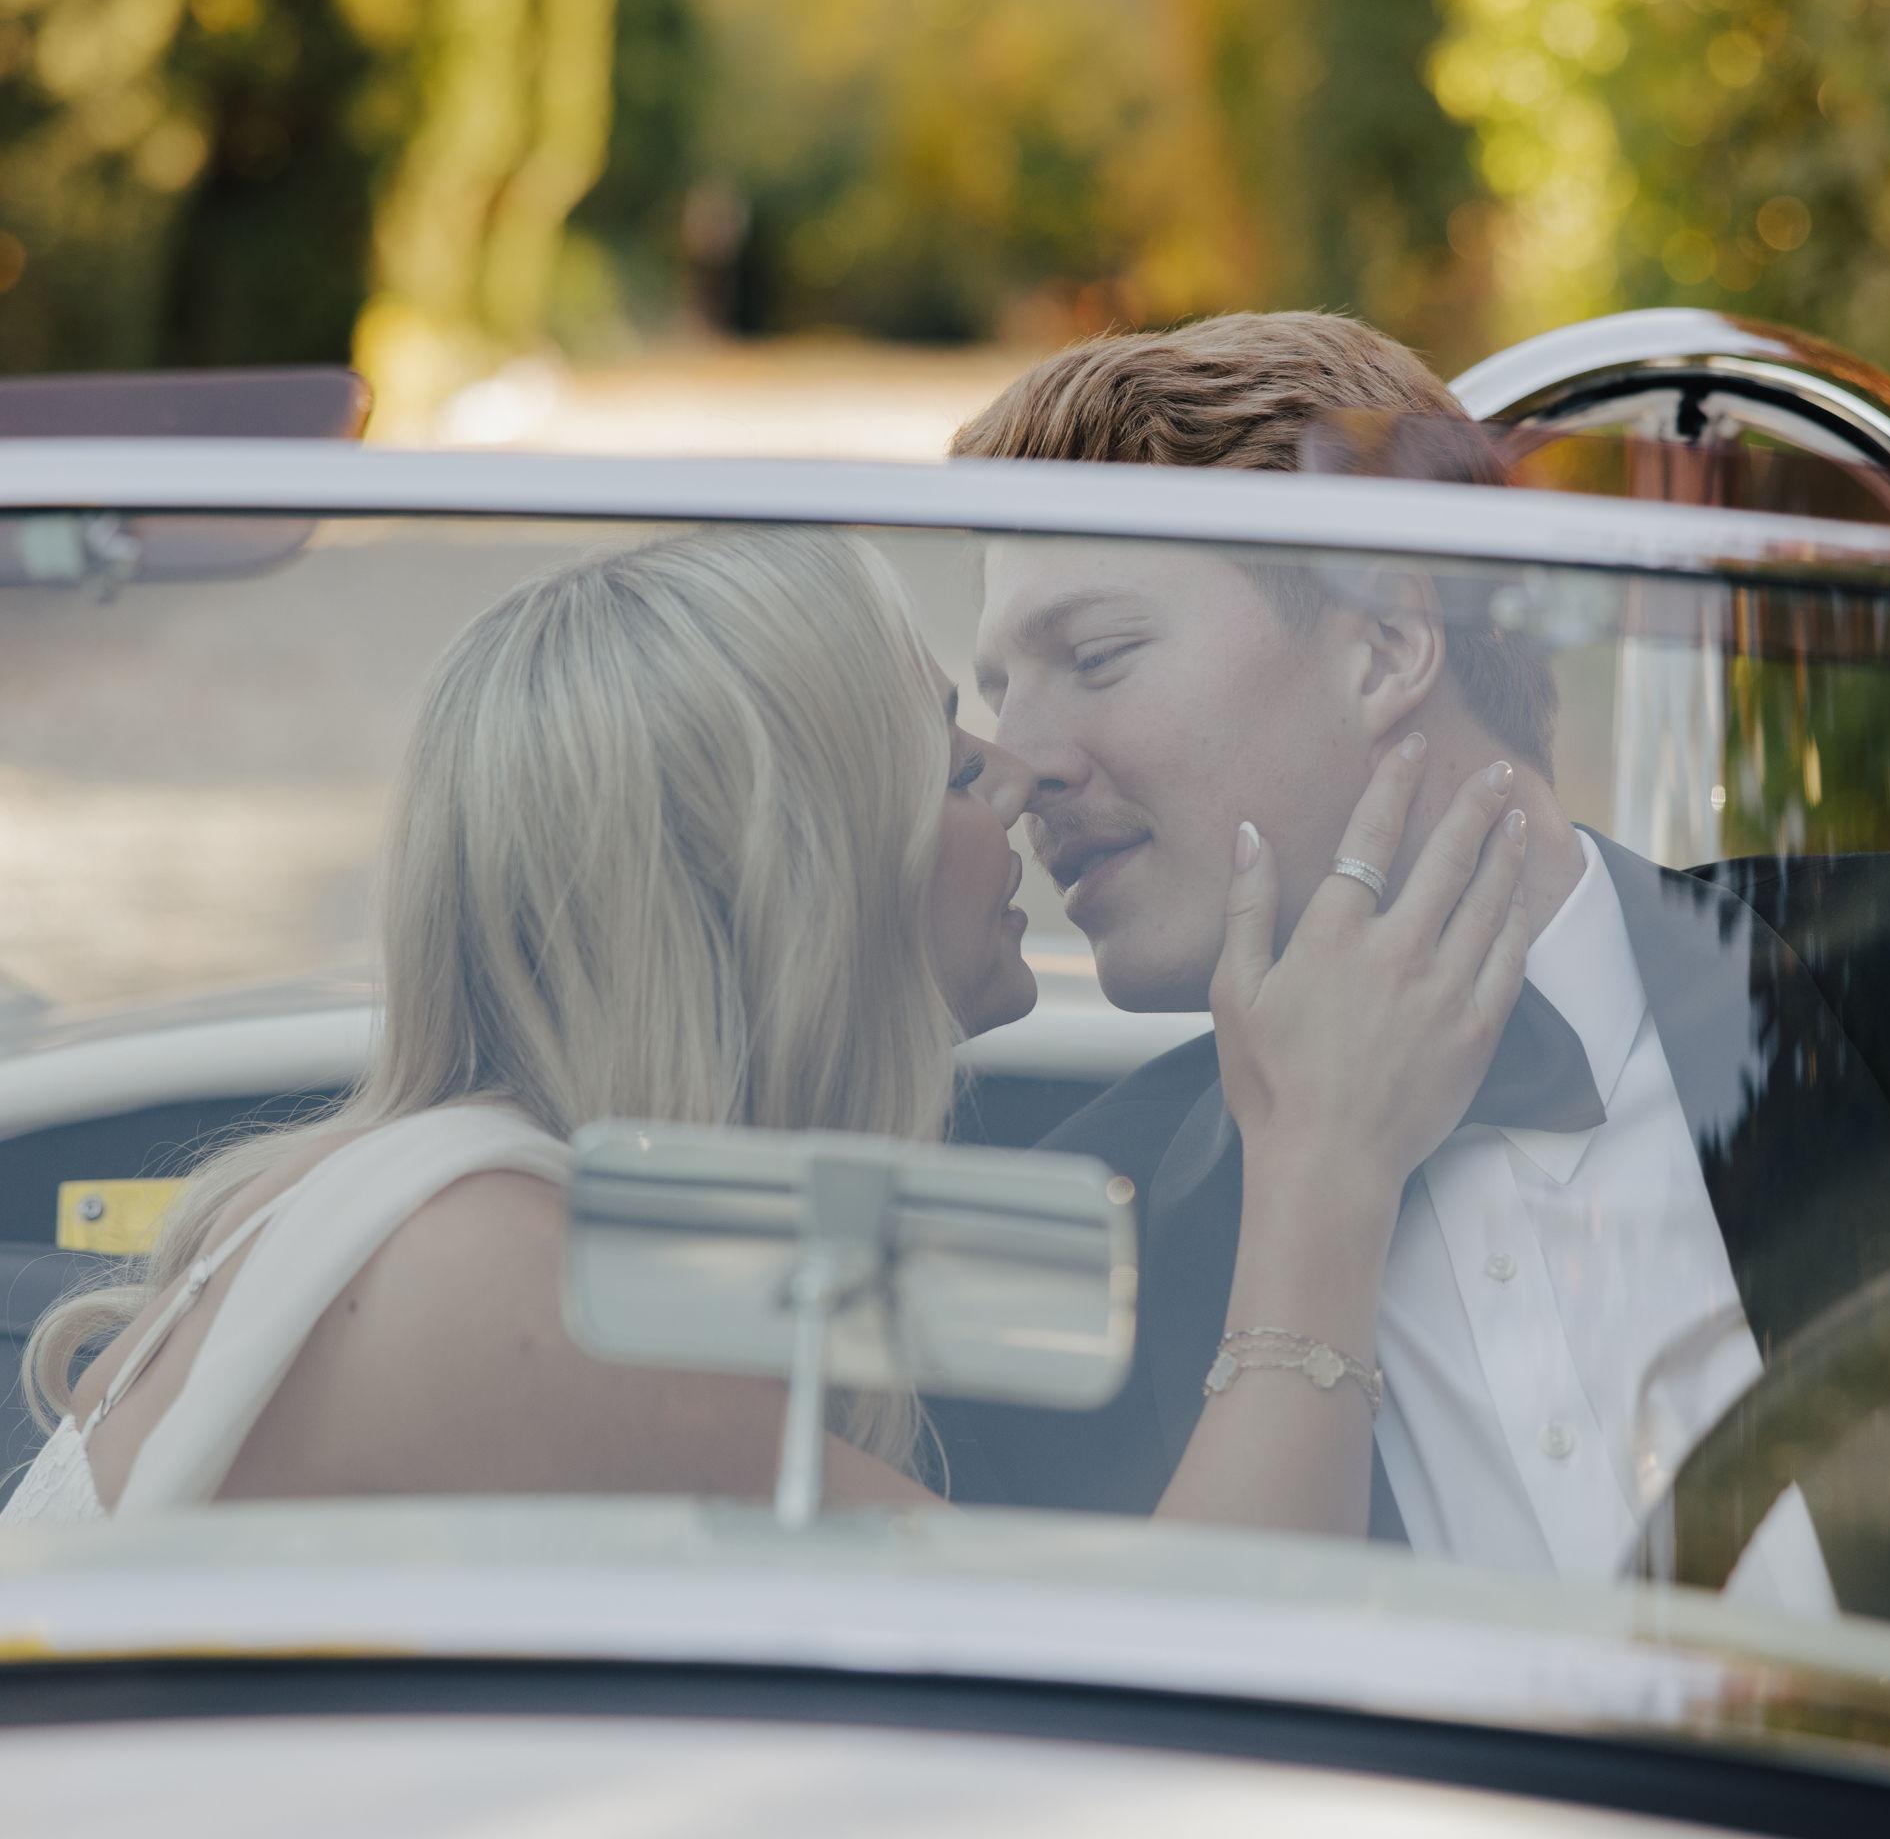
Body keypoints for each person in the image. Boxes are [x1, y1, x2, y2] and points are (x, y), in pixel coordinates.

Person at [5, 524, 1525, 1530]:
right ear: (803, 876)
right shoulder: (500, 1270)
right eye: (945, 761)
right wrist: (1325, 1170)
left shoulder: (497, 1205)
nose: (1017, 774)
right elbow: (1167, 1703)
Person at [943, 310, 1890, 1640]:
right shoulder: (1045, 1267)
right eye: (1000, 692)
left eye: (1095, 658)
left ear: (1388, 646)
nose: (1023, 764)